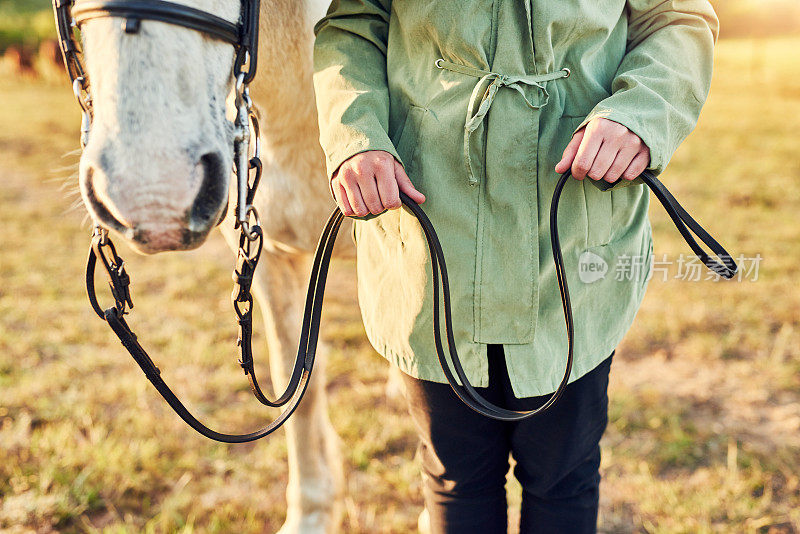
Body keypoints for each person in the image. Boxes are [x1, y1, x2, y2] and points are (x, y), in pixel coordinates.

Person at [312, 1, 718, 532]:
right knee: (456, 480)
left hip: (571, 240)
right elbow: (353, 26)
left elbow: (678, 19)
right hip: (434, 240)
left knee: (563, 478)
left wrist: (639, 115)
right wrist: (354, 136)